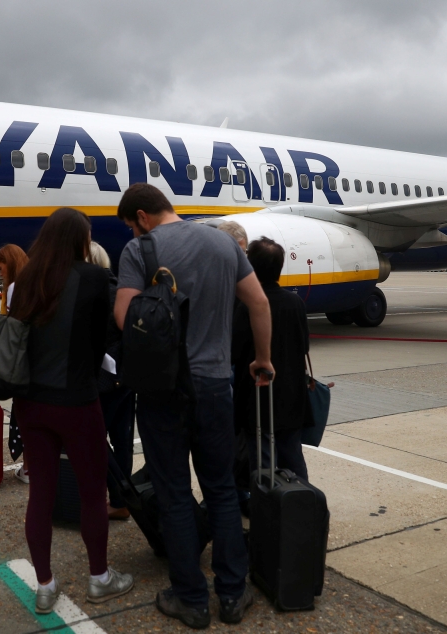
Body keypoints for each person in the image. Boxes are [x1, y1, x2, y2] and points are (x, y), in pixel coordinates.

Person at [114, 183, 273, 628]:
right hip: (216, 385)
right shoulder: (224, 241)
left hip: (164, 389)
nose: (131, 230)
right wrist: (262, 359)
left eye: (130, 223)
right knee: (221, 489)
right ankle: (232, 595)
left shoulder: (140, 249)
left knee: (175, 493)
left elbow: (125, 320)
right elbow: (259, 302)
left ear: (142, 216)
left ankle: (191, 599)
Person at [9, 208, 135, 614]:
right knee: (91, 492)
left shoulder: (26, 278)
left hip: (31, 401)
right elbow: (106, 336)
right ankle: (99, 577)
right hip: (78, 400)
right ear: (82, 239)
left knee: (41, 493)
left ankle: (44, 584)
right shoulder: (95, 278)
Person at [232, 237, 311, 480]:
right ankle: (301, 500)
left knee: (262, 456)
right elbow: (304, 344)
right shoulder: (295, 302)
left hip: (258, 392)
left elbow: (236, 349)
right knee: (293, 454)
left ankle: (267, 504)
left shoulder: (247, 304)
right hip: (291, 391)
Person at [90, 240, 136, 521]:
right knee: (123, 440)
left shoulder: (91, 293)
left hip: (102, 376)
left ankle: (117, 493)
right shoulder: (121, 288)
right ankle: (121, 499)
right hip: (126, 374)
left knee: (94, 437)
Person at [0, 243, 30, 483]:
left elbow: (15, 326)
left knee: (24, 413)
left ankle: (29, 467)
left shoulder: (17, 288)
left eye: (1, 268)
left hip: (23, 359)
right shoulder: (37, 282)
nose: (0, 274)